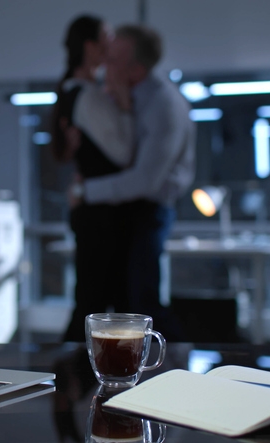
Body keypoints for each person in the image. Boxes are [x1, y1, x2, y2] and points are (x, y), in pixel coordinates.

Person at [65, 24, 196, 341]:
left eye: (112, 58)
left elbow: (145, 181)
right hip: (127, 210)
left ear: (136, 68)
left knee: (143, 303)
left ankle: (175, 369)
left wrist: (85, 191)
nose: (104, 62)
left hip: (148, 211)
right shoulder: (129, 95)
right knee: (122, 301)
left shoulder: (163, 105)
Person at [50, 16, 136, 342]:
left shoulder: (82, 91)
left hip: (94, 211)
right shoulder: (87, 96)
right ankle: (72, 379)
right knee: (94, 304)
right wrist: (125, 106)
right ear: (91, 46)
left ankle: (75, 381)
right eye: (107, 37)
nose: (112, 43)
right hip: (100, 215)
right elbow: (124, 154)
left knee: (93, 300)